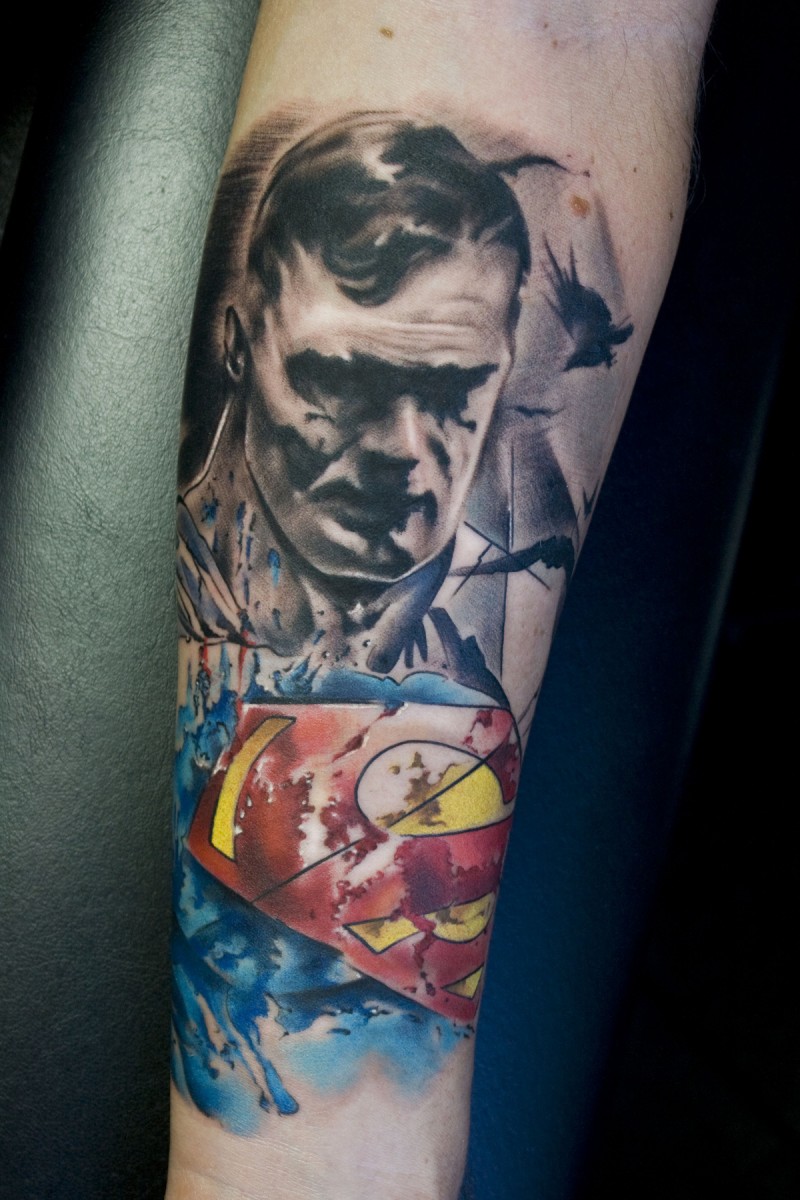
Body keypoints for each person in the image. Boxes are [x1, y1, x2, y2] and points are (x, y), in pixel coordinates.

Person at [177, 114, 579, 701]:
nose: (402, 447)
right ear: (240, 346)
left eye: (455, 390)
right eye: (344, 382)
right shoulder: (143, 599)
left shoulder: (511, 608)